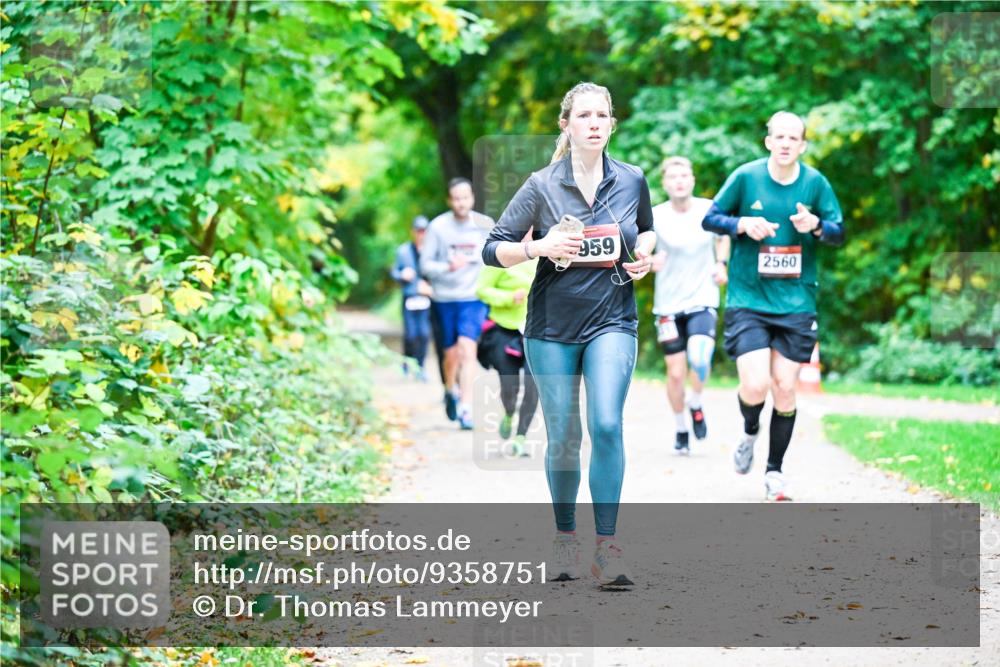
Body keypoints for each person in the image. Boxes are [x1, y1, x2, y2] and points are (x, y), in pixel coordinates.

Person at [482, 82, 655, 588]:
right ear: (567, 125)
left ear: (612, 124)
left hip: (612, 319)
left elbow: (642, 228)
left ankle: (608, 547)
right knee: (565, 437)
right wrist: (540, 248)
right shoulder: (541, 185)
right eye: (584, 115)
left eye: (603, 114)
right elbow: (493, 248)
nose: (595, 123)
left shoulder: (632, 179)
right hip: (552, 327)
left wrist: (643, 253)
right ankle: (564, 539)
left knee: (605, 424)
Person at [702, 111, 844, 501]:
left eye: (792, 138)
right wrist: (742, 225)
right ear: (768, 141)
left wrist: (815, 225)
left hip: (797, 300)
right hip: (749, 297)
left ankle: (774, 472)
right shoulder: (746, 177)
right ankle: (749, 432)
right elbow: (710, 219)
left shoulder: (815, 183)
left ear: (802, 145)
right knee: (756, 384)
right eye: (778, 137)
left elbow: (838, 232)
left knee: (784, 388)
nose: (784, 143)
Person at [649, 156, 730, 454]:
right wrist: (648, 260)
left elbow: (723, 238)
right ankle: (681, 427)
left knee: (700, 357)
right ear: (665, 183)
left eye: (684, 175)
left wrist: (721, 264)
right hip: (667, 304)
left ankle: (696, 400)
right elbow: (640, 246)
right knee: (675, 373)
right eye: (673, 176)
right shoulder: (656, 215)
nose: (679, 181)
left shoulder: (708, 209)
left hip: (702, 297)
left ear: (692, 179)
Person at [420, 178, 494, 430]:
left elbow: (496, 257)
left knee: (467, 349)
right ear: (450, 200)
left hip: (473, 297)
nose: (461, 202)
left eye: (466, 197)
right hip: (445, 298)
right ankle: (449, 390)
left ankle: (466, 407)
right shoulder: (437, 227)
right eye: (456, 198)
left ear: (472, 198)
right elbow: (425, 265)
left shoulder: (484, 225)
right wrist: (447, 267)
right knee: (450, 355)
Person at [476, 233, 539, 457]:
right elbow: (482, 289)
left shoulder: (545, 254)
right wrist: (508, 297)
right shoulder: (501, 254)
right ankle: (509, 412)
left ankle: (520, 437)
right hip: (505, 329)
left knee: (534, 386)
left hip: (536, 329)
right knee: (510, 388)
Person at [390, 215, 434, 381]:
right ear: (413, 232)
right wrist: (402, 275)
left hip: (425, 299)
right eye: (418, 231)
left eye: (424, 231)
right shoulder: (403, 251)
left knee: (423, 334)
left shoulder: (432, 251)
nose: (421, 234)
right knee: (410, 335)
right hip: (409, 298)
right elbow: (394, 272)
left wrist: (430, 287)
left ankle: (420, 368)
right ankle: (406, 364)